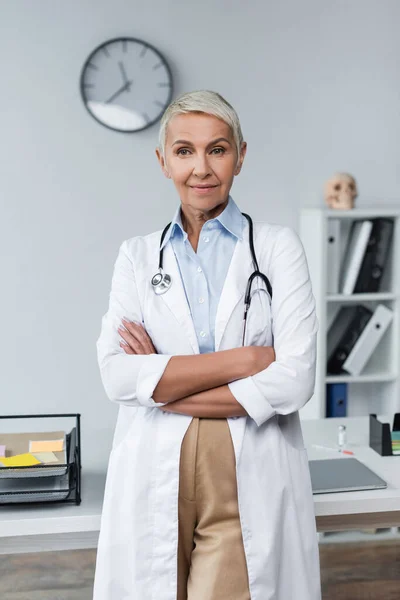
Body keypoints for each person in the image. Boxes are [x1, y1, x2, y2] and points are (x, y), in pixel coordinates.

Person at [93, 90, 321, 600]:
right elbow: (117, 376)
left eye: (217, 149)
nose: (201, 168)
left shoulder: (277, 247)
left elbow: (293, 380)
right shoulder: (136, 257)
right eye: (184, 151)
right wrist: (244, 360)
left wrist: (163, 387)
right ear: (162, 161)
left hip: (243, 467)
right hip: (153, 461)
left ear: (241, 155)